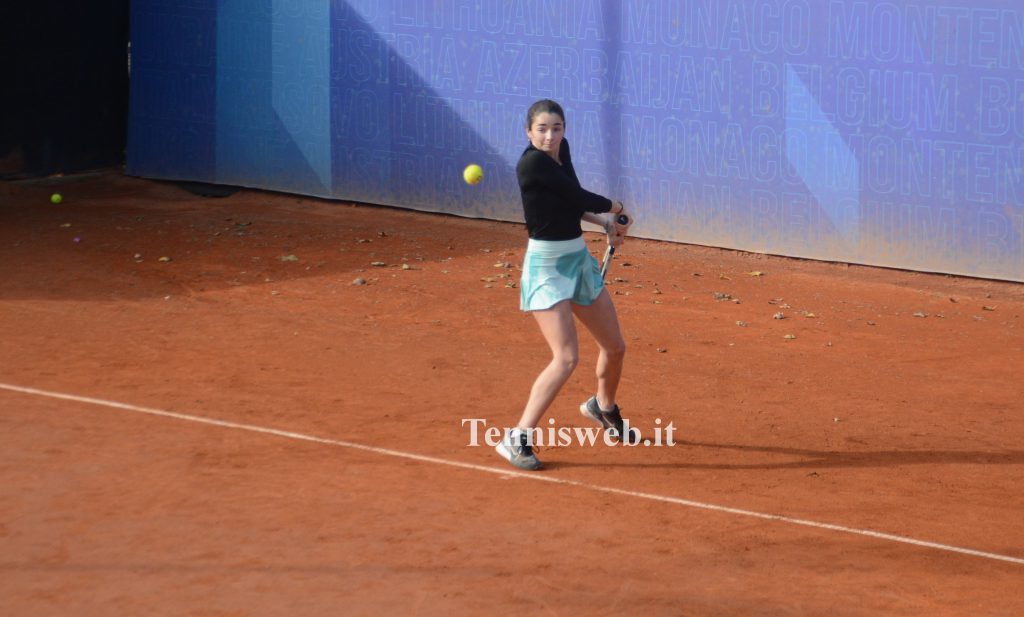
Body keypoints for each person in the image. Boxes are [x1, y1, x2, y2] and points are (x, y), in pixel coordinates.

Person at [495, 99, 635, 471]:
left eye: (556, 128)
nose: (550, 135)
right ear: (528, 131)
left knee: (615, 346)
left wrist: (604, 222)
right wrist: (614, 207)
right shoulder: (532, 163)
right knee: (567, 357)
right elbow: (576, 195)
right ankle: (517, 437)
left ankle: (602, 407)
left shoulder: (561, 152)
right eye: (542, 129)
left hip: (576, 260)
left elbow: (569, 203)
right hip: (546, 269)